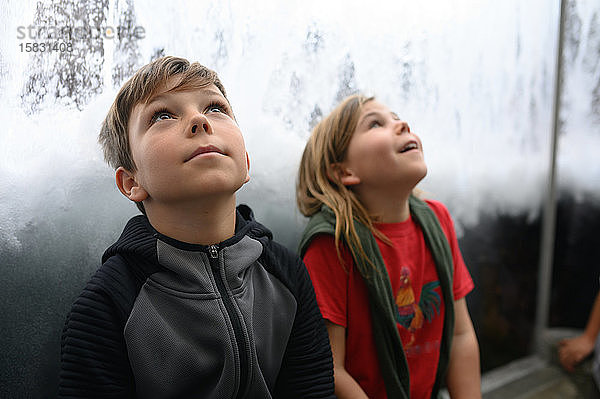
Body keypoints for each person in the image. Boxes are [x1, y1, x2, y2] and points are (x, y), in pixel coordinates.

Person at [59, 56, 335, 399]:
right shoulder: (109, 303)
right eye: (163, 115)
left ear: (245, 163)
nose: (199, 120)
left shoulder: (286, 273)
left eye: (216, 108)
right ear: (131, 181)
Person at [296, 94, 481, 398]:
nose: (401, 124)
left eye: (396, 117)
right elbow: (331, 368)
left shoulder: (438, 220)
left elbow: (461, 335)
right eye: (376, 123)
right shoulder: (333, 244)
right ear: (344, 172)